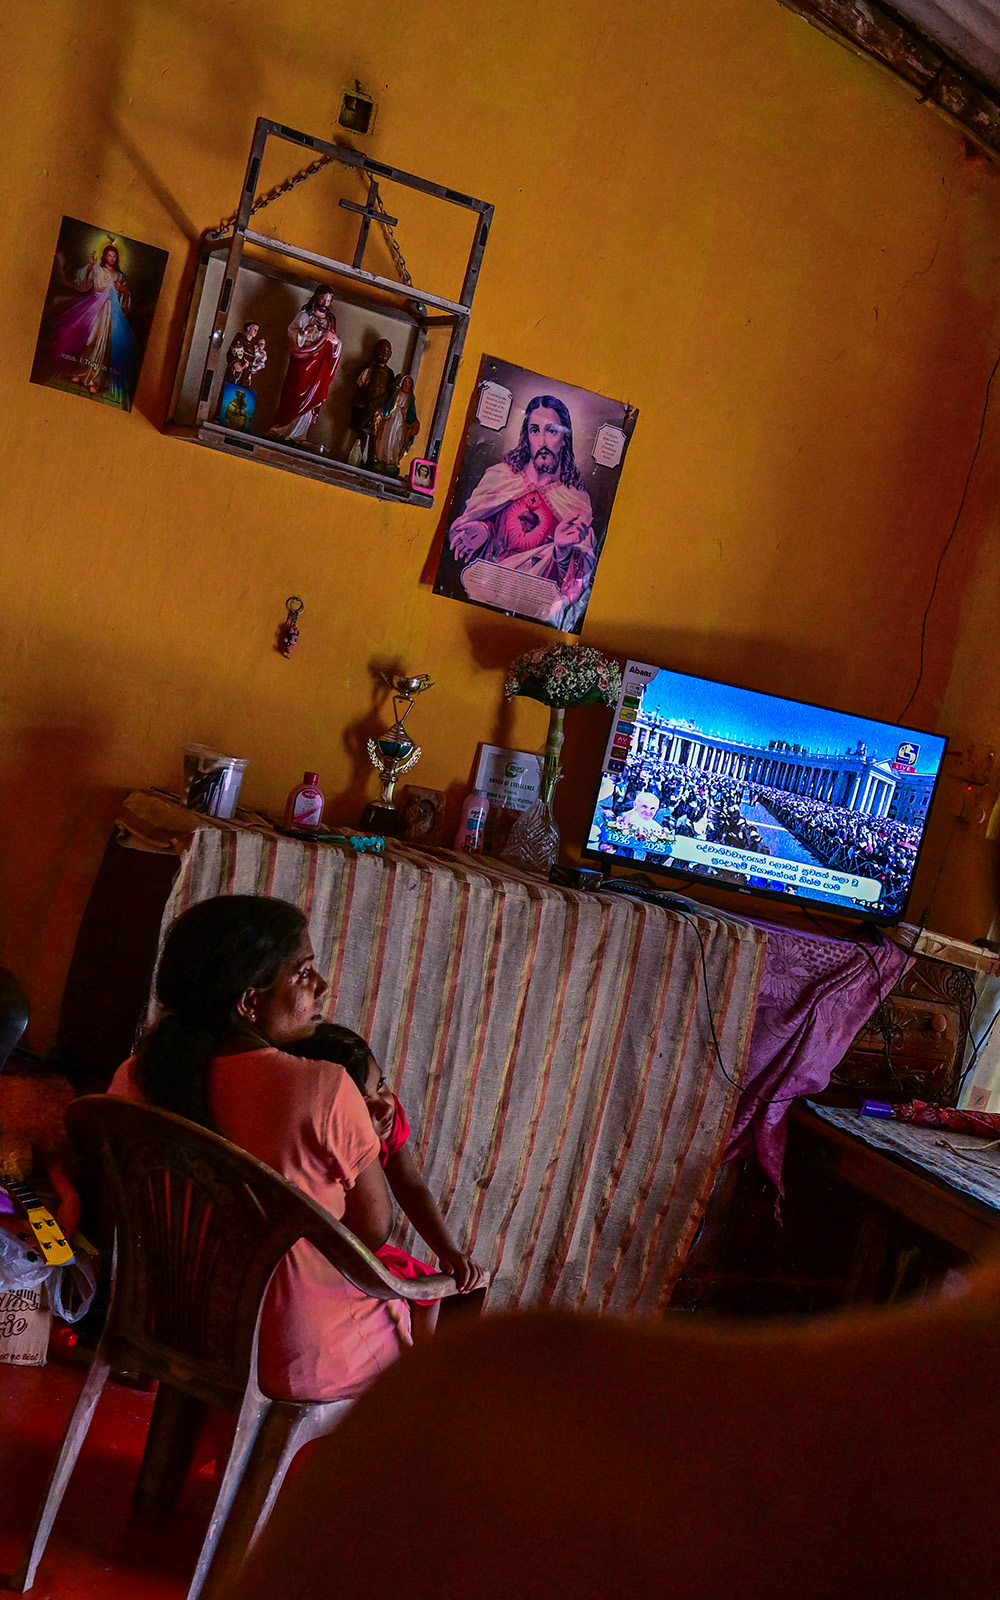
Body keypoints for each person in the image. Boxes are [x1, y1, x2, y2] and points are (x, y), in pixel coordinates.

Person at [107, 894, 409, 1402]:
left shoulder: (136, 1077)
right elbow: (373, 1231)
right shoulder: (324, 1088)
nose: (321, 986)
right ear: (249, 1002)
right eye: (304, 972)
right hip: (288, 1352)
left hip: (166, 1327)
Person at [295, 1023, 488, 1336]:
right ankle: (419, 1358)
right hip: (327, 1248)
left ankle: (425, 1358)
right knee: (421, 1292)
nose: (384, 1107)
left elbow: (409, 1186)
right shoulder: (331, 1136)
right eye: (363, 1103)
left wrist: (448, 1251)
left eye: (381, 1085)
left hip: (368, 1246)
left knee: (445, 1289)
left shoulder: (388, 1115)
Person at [447, 394, 597, 630]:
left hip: (536, 616)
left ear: (565, 438)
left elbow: (577, 583)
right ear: (526, 435)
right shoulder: (500, 477)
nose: (542, 441)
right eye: (534, 430)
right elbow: (476, 530)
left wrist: (562, 551)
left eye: (552, 431)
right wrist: (483, 529)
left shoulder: (576, 501)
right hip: (486, 598)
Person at [39, 241, 136, 403]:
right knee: (89, 340)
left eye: (114, 256)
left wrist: (124, 290)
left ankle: (94, 380)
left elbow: (125, 299)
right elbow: (83, 283)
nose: (112, 258)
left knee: (104, 344)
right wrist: (90, 265)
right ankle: (80, 372)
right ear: (104, 256)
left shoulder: (119, 276)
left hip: (111, 312)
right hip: (94, 307)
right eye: (109, 255)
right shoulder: (97, 269)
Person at [268, 289, 342, 443]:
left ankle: (298, 435)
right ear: (317, 298)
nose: (326, 304)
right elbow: (291, 332)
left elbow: (335, 346)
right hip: (301, 361)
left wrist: (335, 341)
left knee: (312, 396)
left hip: (319, 367)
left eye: (329, 301)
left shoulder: (330, 321)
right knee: (294, 392)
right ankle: (281, 429)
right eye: (323, 300)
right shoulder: (304, 315)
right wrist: (304, 333)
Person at [350, 337, 396, 466]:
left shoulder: (389, 373)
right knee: (362, 433)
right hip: (366, 405)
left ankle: (371, 460)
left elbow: (390, 393)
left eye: (388, 351)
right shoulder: (369, 368)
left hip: (379, 407)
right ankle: (357, 458)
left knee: (375, 435)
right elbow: (360, 384)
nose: (384, 354)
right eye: (382, 350)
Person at [372, 374, 420, 474]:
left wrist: (415, 422)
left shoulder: (411, 397)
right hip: (391, 418)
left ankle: (392, 461)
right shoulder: (396, 393)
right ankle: (382, 459)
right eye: (405, 382)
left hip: (401, 421)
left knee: (397, 440)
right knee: (386, 437)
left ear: (411, 384)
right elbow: (388, 406)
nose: (407, 384)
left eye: (409, 382)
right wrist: (381, 412)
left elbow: (412, 412)